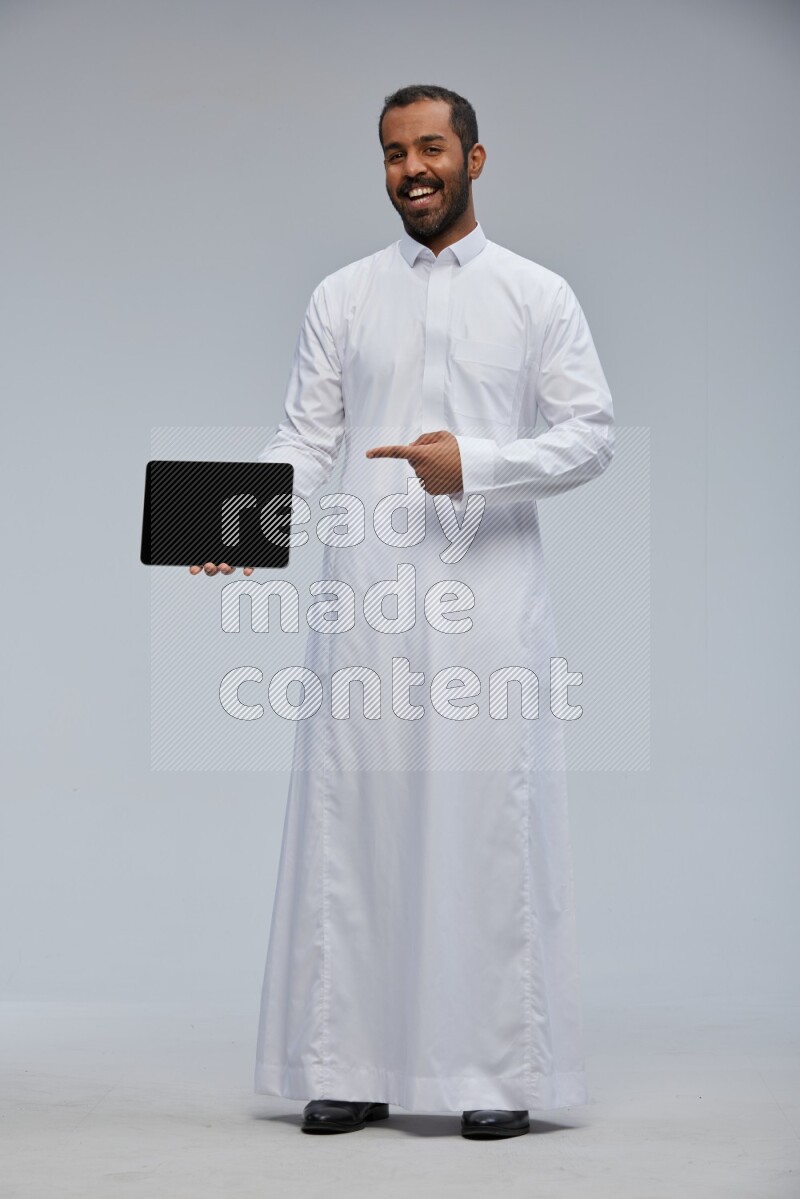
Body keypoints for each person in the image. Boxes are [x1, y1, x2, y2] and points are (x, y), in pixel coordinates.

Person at [192, 83, 615, 1140]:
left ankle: (491, 1071)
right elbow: (303, 433)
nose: (410, 169)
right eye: (392, 153)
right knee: (360, 822)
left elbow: (588, 434)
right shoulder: (343, 295)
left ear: (475, 158)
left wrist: (473, 461)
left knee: (482, 830)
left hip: (488, 603)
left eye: (430, 148)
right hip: (368, 599)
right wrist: (242, 525)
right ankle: (351, 1061)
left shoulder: (535, 294)